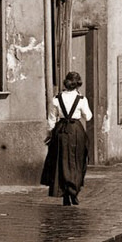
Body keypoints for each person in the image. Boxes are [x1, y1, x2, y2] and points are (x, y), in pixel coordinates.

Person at [41, 71, 92, 206]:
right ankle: (74, 192)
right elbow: (88, 117)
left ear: (66, 83)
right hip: (76, 130)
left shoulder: (57, 98)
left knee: (61, 162)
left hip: (61, 130)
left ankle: (64, 193)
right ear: (78, 84)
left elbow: (51, 119)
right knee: (77, 161)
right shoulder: (81, 99)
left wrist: (50, 134)